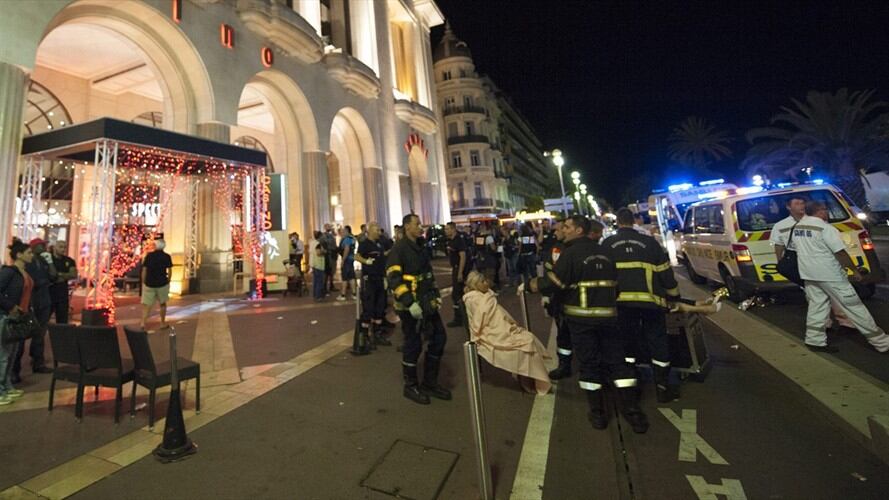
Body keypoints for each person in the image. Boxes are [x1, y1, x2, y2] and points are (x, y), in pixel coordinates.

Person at [528, 215, 648, 433]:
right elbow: (617, 285)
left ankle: (598, 412)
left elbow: (554, 283)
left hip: (581, 320)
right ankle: (633, 412)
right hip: (609, 318)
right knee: (618, 363)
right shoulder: (605, 252)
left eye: (567, 227)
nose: (562, 230)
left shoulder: (570, 254)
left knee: (589, 365)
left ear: (579, 231)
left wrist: (531, 285)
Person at [602, 208, 681, 403]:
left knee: (627, 342)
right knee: (657, 341)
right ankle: (662, 386)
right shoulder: (650, 243)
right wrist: (674, 297)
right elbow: (666, 274)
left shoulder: (608, 244)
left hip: (621, 304)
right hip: (651, 303)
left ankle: (632, 385)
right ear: (634, 221)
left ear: (618, 222)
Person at [793, 201, 889, 353]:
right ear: (820, 211)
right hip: (830, 275)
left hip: (809, 274)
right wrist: (854, 271)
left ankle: (814, 340)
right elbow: (840, 252)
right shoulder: (825, 228)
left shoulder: (798, 227)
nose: (827, 212)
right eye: (825, 209)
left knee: (817, 306)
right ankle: (882, 342)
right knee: (854, 306)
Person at [387, 213, 451, 405]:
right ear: (407, 227)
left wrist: (436, 295)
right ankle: (411, 385)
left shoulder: (421, 247)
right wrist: (409, 302)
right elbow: (394, 279)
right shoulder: (398, 250)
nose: (420, 227)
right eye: (417, 224)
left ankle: (430, 382)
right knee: (413, 344)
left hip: (426, 302)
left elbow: (428, 274)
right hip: (410, 307)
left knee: (439, 338)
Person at [770, 195, 853, 329]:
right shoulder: (781, 225)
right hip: (803, 264)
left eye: (803, 203)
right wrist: (780, 261)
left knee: (835, 295)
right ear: (788, 207)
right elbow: (778, 244)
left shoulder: (816, 221)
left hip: (822, 262)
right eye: (797, 203)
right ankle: (824, 325)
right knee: (815, 297)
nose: (801, 205)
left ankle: (845, 323)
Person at [464, 271, 552, 395]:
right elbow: (480, 320)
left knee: (528, 338)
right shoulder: (474, 298)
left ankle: (529, 375)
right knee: (526, 342)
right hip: (491, 332)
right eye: (483, 281)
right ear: (475, 285)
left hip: (501, 327)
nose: (486, 283)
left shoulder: (487, 295)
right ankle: (525, 376)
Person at [15, 238, 55, 376]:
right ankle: (15, 369)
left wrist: (50, 263)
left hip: (44, 301)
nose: (44, 247)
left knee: (40, 332)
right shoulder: (26, 264)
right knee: (22, 335)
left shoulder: (43, 261)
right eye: (40, 245)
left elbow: (53, 276)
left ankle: (38, 361)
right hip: (30, 301)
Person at [0, 240, 33, 404]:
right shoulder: (9, 272)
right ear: (19, 255)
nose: (31, 255)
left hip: (18, 317)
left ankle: (7, 386)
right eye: (29, 253)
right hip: (6, 316)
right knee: (3, 354)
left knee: (12, 354)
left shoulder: (24, 272)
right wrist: (10, 306)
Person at [541, 219, 573, 380]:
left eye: (561, 229)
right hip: (559, 298)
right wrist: (546, 294)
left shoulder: (574, 248)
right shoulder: (555, 248)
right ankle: (565, 365)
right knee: (562, 334)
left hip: (574, 299)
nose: (556, 232)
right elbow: (548, 270)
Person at [354, 222, 391, 354]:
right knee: (369, 308)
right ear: (369, 231)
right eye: (376, 229)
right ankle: (364, 336)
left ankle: (377, 333)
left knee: (380, 307)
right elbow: (357, 256)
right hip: (369, 280)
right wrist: (366, 261)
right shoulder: (365, 244)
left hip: (380, 279)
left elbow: (382, 258)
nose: (379, 232)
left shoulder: (379, 244)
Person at [140, 238, 173, 330]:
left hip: (149, 283)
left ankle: (143, 323)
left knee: (146, 304)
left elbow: (144, 269)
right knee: (162, 303)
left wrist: (144, 281)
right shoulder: (167, 256)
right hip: (162, 282)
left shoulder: (149, 256)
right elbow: (170, 270)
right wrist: (168, 280)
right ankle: (162, 323)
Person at [444, 222, 469, 328]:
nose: (446, 231)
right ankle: (462, 317)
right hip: (455, 269)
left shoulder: (458, 240)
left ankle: (459, 318)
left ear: (453, 229)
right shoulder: (451, 241)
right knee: (458, 294)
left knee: (457, 294)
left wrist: (460, 273)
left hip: (459, 269)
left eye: (448, 229)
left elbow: (463, 256)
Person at [49, 240, 77, 324]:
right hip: (49, 292)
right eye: (60, 247)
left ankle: (60, 336)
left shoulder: (69, 261)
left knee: (62, 319)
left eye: (64, 247)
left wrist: (59, 274)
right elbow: (49, 275)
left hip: (62, 293)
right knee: (44, 318)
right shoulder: (49, 259)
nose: (63, 249)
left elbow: (73, 274)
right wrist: (64, 275)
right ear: (54, 247)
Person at [337, 226, 357, 301]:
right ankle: (354, 294)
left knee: (345, 277)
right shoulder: (352, 238)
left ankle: (343, 294)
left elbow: (346, 249)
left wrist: (343, 260)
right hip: (351, 259)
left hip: (347, 260)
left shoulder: (346, 240)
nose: (342, 232)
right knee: (351, 277)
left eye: (343, 231)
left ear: (346, 231)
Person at [321, 224, 338, 293]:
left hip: (333, 255)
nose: (330, 228)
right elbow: (326, 244)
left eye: (330, 226)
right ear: (325, 228)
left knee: (332, 272)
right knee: (327, 272)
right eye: (328, 226)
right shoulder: (324, 236)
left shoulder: (331, 235)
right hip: (328, 256)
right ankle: (324, 287)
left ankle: (331, 285)